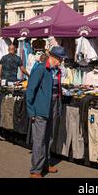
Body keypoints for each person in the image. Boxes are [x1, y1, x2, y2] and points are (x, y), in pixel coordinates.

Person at [26, 46, 67, 178]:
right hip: (41, 108)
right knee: (39, 140)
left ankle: (45, 164)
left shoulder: (57, 71)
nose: (60, 62)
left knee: (49, 138)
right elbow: (30, 90)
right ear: (53, 57)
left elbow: (57, 90)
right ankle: (36, 170)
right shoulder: (40, 69)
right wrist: (31, 111)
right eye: (59, 59)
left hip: (53, 106)